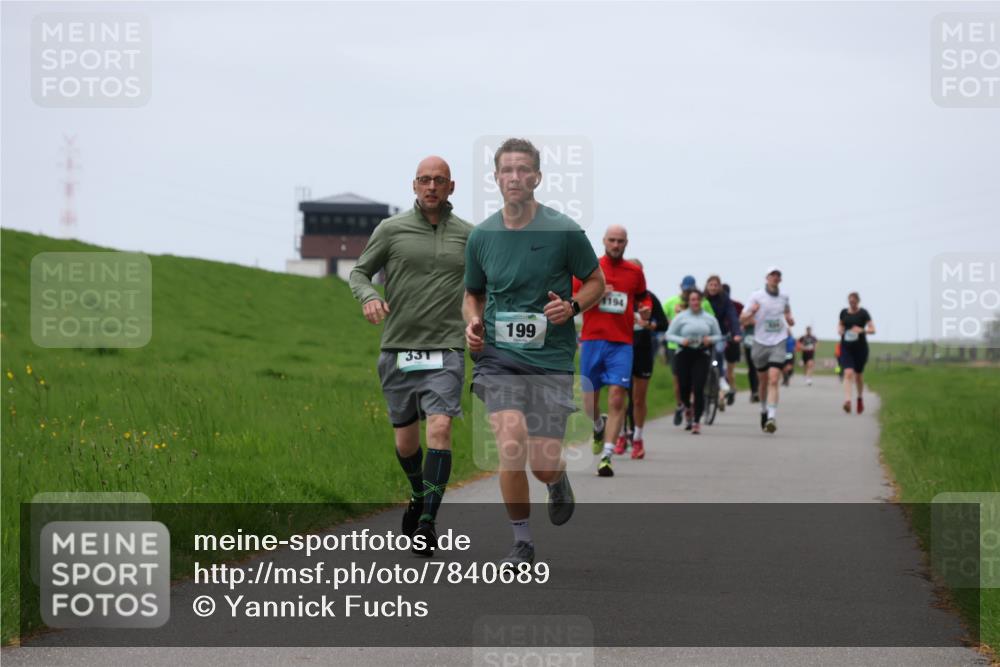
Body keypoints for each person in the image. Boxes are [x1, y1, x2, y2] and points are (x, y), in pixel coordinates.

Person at [464, 137, 604, 565]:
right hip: (499, 359)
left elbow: (596, 282)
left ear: (537, 177)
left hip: (550, 361)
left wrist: (573, 306)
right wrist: (472, 322)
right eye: (507, 170)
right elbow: (473, 294)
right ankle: (521, 540)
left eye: (523, 169)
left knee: (542, 463)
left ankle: (556, 479)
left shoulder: (564, 231)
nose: (515, 177)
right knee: (510, 443)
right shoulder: (481, 236)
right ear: (496, 178)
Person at [350, 156, 473, 557]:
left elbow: (485, 285)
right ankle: (418, 493)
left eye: (439, 180)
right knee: (406, 443)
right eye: (424, 180)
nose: (431, 186)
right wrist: (368, 297)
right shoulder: (391, 229)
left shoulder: (469, 235)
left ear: (451, 187)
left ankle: (427, 523)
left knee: (440, 427)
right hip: (399, 348)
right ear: (414, 185)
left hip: (447, 348)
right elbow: (359, 272)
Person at [574, 227, 652, 477]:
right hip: (592, 341)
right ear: (604, 241)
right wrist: (595, 293)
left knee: (618, 396)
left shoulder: (634, 272)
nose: (616, 245)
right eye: (612, 240)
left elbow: (643, 298)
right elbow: (573, 299)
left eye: (620, 241)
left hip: (622, 343)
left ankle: (607, 456)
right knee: (589, 403)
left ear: (626, 243)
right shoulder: (590, 268)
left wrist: (646, 309)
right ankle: (599, 425)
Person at [618, 259, 667, 460]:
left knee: (638, 398)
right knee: (618, 396)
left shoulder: (649, 298)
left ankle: (637, 438)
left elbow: (663, 324)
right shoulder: (618, 296)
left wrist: (649, 324)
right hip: (620, 348)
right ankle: (621, 435)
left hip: (643, 350)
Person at [740, 267, 795, 434]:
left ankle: (771, 417)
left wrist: (789, 319)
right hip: (760, 342)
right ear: (767, 278)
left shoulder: (784, 297)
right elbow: (742, 318)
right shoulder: (756, 296)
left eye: (778, 275)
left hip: (779, 341)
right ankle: (763, 410)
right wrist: (752, 312)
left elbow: (788, 315)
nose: (775, 278)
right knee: (763, 381)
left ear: (780, 279)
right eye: (773, 275)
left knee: (773, 379)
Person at [665, 289, 723, 435]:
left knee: (698, 388)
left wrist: (710, 339)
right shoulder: (681, 317)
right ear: (688, 302)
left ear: (701, 301)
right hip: (684, 353)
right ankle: (687, 408)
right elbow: (669, 335)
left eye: (698, 299)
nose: (695, 302)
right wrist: (681, 340)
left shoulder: (709, 318)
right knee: (684, 386)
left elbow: (718, 335)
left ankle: (696, 421)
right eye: (693, 300)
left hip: (701, 354)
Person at [704, 275, 742, 405]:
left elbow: (733, 316)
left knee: (719, 351)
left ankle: (720, 378)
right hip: (703, 334)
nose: (713, 288)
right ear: (707, 286)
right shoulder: (702, 298)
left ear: (720, 287)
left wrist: (736, 333)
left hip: (720, 334)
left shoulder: (724, 300)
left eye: (716, 285)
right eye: (711, 285)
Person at [838, 292, 876, 414]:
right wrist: (840, 330)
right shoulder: (844, 312)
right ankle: (848, 401)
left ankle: (859, 398)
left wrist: (862, 330)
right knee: (848, 373)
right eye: (850, 301)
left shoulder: (863, 313)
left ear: (858, 301)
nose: (852, 303)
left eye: (854, 301)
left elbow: (873, 329)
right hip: (846, 347)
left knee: (858, 375)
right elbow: (840, 325)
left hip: (860, 348)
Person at [722, 283, 748, 402]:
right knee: (718, 369)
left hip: (733, 341)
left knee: (730, 371)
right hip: (719, 339)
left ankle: (732, 389)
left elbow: (745, 318)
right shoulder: (714, 304)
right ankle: (720, 393)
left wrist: (741, 328)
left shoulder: (737, 305)